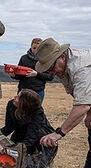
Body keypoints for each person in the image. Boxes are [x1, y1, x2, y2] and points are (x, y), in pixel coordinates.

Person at [35, 38, 91, 168]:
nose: (51, 72)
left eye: (51, 67)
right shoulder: (64, 68)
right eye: (47, 70)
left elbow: (82, 105)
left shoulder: (81, 69)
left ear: (61, 56)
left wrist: (58, 133)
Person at [1, 89, 57, 167]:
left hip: (39, 138)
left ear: (24, 103)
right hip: (20, 132)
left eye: (18, 97)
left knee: (31, 163)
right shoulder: (12, 104)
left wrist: (18, 149)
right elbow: (9, 127)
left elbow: (31, 137)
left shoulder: (37, 112)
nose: (14, 97)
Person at [9, 38, 54, 104]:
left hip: (38, 91)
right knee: (21, 111)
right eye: (34, 48)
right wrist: (13, 75)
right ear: (31, 46)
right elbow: (19, 75)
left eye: (39, 48)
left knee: (36, 112)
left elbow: (50, 76)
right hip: (23, 90)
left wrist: (37, 74)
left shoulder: (46, 60)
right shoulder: (23, 58)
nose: (36, 50)